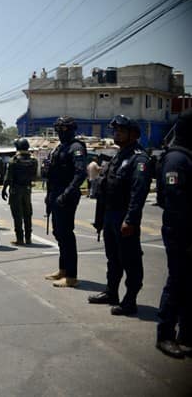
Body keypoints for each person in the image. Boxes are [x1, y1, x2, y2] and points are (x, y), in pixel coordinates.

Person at [88, 115, 151, 314]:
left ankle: (130, 300)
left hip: (124, 216)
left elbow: (138, 191)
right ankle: (111, 292)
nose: (117, 134)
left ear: (133, 134)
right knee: (113, 257)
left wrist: (130, 219)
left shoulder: (139, 158)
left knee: (130, 259)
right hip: (110, 214)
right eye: (115, 131)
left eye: (121, 131)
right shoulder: (119, 155)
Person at [155, 109, 192, 358]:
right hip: (181, 231)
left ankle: (186, 334)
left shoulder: (186, 157)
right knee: (177, 281)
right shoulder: (176, 160)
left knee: (189, 283)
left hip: (186, 230)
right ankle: (165, 335)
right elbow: (174, 200)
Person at [44, 116, 87, 288]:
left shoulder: (76, 148)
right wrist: (49, 196)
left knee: (67, 234)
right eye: (59, 129)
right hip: (55, 193)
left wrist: (66, 194)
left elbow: (80, 174)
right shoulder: (60, 147)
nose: (60, 132)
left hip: (66, 195)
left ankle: (71, 276)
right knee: (58, 233)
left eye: (64, 129)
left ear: (71, 129)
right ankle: (62, 269)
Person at [1, 138, 37, 245]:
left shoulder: (14, 160)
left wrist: (4, 189)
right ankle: (28, 238)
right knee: (27, 214)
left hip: (16, 190)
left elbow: (8, 177)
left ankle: (20, 238)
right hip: (27, 190)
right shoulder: (33, 160)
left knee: (17, 214)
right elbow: (34, 176)